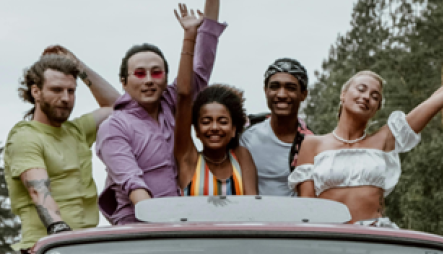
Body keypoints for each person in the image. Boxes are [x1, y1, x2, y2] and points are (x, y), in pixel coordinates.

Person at [289, 55, 443, 224]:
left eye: (374, 96)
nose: (366, 97)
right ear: (343, 94)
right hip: (327, 238)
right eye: (360, 89)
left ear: (377, 108)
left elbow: (435, 101)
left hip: (373, 239)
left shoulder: (384, 140)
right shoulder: (312, 144)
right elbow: (306, 208)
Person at [96, 0, 225, 224]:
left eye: (156, 73)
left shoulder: (170, 105)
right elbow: (131, 182)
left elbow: (201, 67)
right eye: (139, 73)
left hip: (182, 220)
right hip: (138, 224)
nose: (148, 80)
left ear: (166, 79)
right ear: (124, 82)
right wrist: (159, 224)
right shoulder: (113, 126)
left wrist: (200, 22)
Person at [3, 47, 119, 254]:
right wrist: (59, 233)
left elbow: (121, 107)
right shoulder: (25, 136)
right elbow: (39, 192)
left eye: (71, 91)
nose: (66, 98)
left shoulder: (76, 131)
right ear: (36, 92)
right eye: (56, 90)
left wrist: (81, 68)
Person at [172, 5, 257, 196]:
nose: (214, 127)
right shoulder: (188, 158)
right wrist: (189, 35)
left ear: (234, 128)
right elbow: (184, 95)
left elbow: (253, 208)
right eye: (206, 121)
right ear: (196, 130)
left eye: (223, 121)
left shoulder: (241, 157)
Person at [240, 58, 314, 197]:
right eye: (274, 86)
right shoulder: (246, 135)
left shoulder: (311, 144)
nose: (281, 94)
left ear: (303, 95)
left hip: (295, 217)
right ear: (265, 91)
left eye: (290, 88)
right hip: (250, 216)